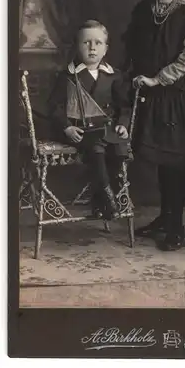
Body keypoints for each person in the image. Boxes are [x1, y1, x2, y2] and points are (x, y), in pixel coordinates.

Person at [122, 0, 185, 251]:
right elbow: (133, 48)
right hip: (149, 94)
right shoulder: (143, 10)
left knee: (176, 160)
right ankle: (166, 217)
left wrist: (157, 79)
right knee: (159, 158)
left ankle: (178, 228)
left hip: (177, 95)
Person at [48, 19, 131, 220]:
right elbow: (54, 106)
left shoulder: (113, 76)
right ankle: (108, 199)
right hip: (79, 130)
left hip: (106, 129)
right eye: (86, 43)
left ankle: (102, 199)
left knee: (115, 148)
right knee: (96, 147)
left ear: (105, 48)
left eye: (98, 43)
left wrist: (122, 124)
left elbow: (124, 106)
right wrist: (66, 127)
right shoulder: (68, 75)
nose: (92, 48)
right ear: (77, 46)